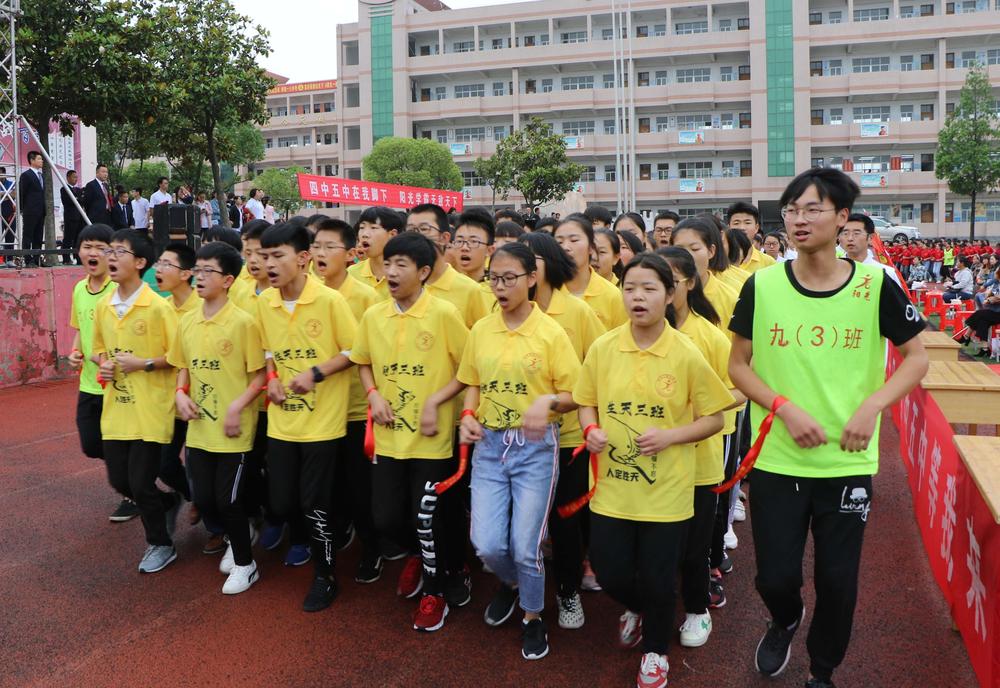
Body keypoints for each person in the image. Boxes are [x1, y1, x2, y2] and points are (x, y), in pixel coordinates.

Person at [728, 167, 927, 688]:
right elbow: (739, 366)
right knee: (775, 576)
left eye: (812, 208)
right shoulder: (762, 284)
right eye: (792, 209)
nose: (798, 218)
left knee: (837, 582)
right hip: (776, 457)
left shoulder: (875, 285)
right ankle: (784, 618)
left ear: (843, 218)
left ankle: (822, 670)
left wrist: (872, 408)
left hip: (847, 461)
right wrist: (785, 408)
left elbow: (915, 359)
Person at [574, 253, 732, 688]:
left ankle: (655, 655)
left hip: (668, 491)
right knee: (609, 570)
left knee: (661, 577)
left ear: (670, 295)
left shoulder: (686, 352)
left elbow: (715, 417)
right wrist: (590, 428)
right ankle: (638, 607)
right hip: (611, 487)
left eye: (649, 289)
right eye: (629, 288)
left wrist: (671, 436)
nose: (637, 297)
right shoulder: (605, 347)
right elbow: (585, 397)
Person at [435, 242, 580, 660]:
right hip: (490, 445)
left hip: (535, 447)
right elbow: (472, 382)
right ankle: (515, 584)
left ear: (532, 279)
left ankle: (533, 617)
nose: (499, 286)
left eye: (509, 278)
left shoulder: (551, 333)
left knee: (524, 544)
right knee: (486, 544)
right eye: (493, 278)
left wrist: (547, 403)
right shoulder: (482, 329)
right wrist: (468, 415)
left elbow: (575, 392)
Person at [351, 232, 470, 631]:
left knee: (429, 520)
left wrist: (437, 402)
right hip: (388, 437)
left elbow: (469, 371)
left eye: (402, 265)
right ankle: (422, 557)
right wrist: (372, 394)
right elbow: (362, 360)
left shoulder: (444, 314)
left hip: (432, 440)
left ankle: (435, 590)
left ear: (422, 272)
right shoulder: (374, 315)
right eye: (389, 264)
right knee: (386, 519)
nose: (392, 272)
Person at [257, 221, 358, 612]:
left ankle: (325, 575)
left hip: (323, 424)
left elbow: (353, 352)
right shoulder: (265, 302)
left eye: (277, 255)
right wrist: (272, 379)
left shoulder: (330, 301)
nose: (269, 264)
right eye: (265, 256)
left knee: (314, 503)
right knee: (281, 503)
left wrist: (315, 373)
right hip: (283, 421)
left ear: (302, 259)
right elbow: (269, 352)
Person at [658, 246, 744, 645]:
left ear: (689, 284)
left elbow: (740, 387)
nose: (658, 293)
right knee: (651, 546)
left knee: (694, 547)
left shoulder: (707, 335)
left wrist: (705, 406)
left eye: (669, 283)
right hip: (650, 459)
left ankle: (696, 609)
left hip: (699, 459)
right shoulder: (632, 337)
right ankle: (644, 607)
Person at [168, 242, 266, 594]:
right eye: (197, 269)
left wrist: (238, 407)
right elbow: (183, 367)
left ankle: (245, 564)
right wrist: (180, 394)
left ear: (227, 280)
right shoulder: (188, 321)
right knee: (206, 500)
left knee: (230, 500)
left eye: (208, 271)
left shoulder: (243, 323)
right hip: (199, 430)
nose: (199, 276)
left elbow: (260, 376)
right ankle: (234, 539)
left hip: (234, 430)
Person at [520, 231, 606, 627]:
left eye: (532, 259)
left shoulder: (578, 313)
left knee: (564, 522)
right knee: (521, 523)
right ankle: (518, 594)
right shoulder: (503, 312)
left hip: (567, 437)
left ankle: (568, 592)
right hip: (518, 439)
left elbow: (600, 369)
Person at [91, 229, 181, 573]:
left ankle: (161, 544)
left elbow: (177, 356)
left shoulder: (159, 308)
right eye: (109, 251)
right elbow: (97, 348)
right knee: (120, 480)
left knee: (141, 482)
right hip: (117, 407)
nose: (110, 257)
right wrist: (104, 363)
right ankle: (167, 500)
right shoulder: (103, 305)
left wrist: (142, 364)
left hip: (152, 408)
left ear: (140, 262)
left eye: (119, 252)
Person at [310, 218, 384, 582]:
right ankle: (338, 533)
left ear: (351, 254)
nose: (320, 254)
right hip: (318, 410)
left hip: (355, 409)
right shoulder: (307, 292)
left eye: (329, 247)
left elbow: (369, 353)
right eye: (316, 247)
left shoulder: (366, 298)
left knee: (359, 487)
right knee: (329, 484)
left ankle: (373, 548)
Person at [66, 223, 141, 522]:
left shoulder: (118, 289)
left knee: (118, 444)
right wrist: (75, 353)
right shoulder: (78, 289)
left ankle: (132, 494)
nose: (93, 253)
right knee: (91, 444)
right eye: (88, 247)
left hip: (116, 384)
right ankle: (135, 482)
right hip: (88, 384)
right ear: (79, 252)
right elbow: (80, 330)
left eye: (102, 247)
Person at [406, 204, 488, 328]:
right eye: (411, 230)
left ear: (444, 238)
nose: (416, 237)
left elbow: (482, 339)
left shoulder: (470, 290)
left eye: (424, 229)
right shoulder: (403, 285)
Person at [554, 214, 628, 329]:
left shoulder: (613, 296)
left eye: (574, 240)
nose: (566, 247)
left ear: (591, 248)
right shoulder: (548, 293)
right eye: (559, 242)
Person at [347, 205, 402, 297]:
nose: (365, 234)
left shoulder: (406, 274)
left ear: (392, 234)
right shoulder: (351, 274)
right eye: (362, 227)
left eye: (373, 228)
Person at [838, 214, 902, 288]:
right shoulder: (831, 272)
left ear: (870, 238)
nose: (850, 238)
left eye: (856, 233)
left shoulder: (886, 274)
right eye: (845, 233)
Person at [726, 201, 776, 274]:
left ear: (756, 228)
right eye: (736, 223)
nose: (742, 228)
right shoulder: (720, 261)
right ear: (729, 228)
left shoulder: (768, 263)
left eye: (747, 223)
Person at [450, 208, 495, 284]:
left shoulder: (497, 290)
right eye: (459, 241)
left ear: (489, 250)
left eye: (473, 241)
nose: (464, 247)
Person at [19, 151, 46, 264]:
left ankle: (36, 259)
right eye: (39, 159)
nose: (42, 161)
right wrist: (22, 209)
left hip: (41, 211)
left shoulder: (42, 175)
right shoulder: (26, 175)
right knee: (28, 235)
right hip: (30, 211)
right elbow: (22, 193)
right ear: (32, 160)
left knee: (38, 236)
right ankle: (27, 259)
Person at [60, 170, 86, 264]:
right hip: (70, 218)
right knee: (68, 238)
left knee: (78, 239)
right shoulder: (64, 189)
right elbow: (69, 201)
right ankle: (66, 259)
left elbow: (82, 200)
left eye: (76, 177)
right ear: (68, 178)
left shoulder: (78, 190)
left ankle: (78, 258)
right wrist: (77, 198)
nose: (76, 179)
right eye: (74, 177)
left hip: (79, 217)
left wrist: (77, 198)